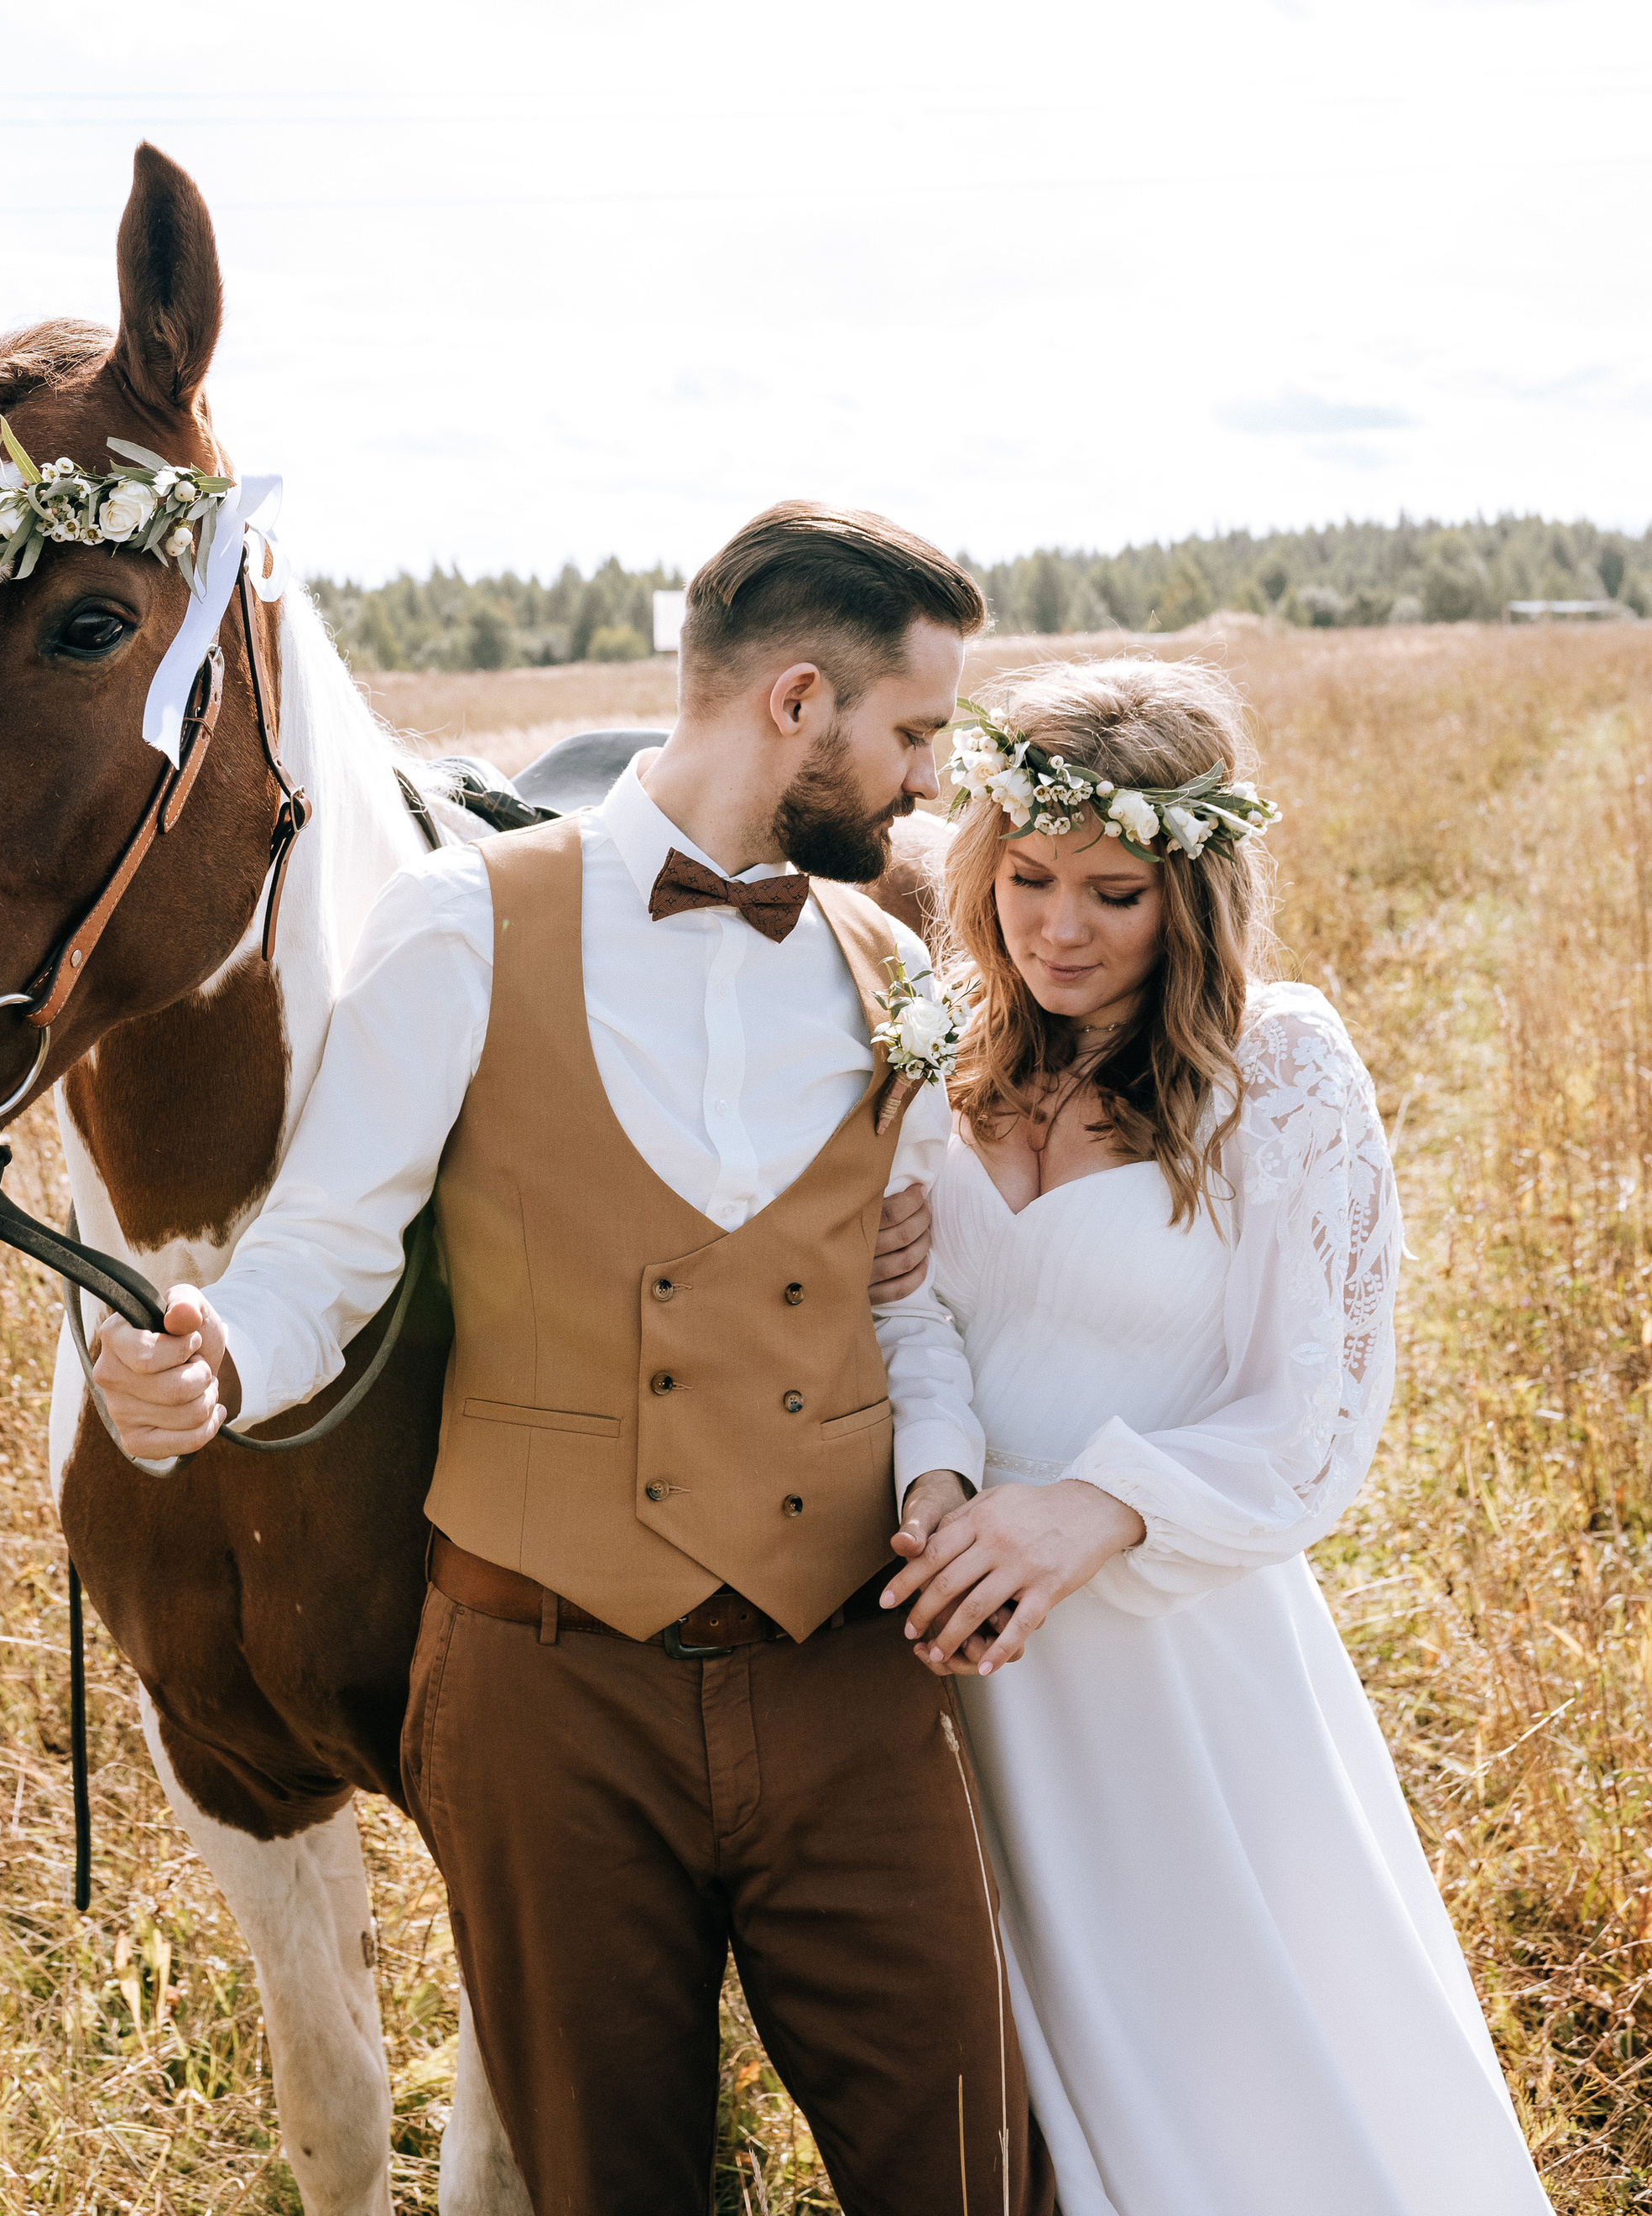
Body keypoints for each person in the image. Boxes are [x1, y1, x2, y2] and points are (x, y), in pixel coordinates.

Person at [94, 502, 1050, 2216]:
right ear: (798, 703)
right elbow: (325, 1251)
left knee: (970, 2167)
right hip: (547, 1700)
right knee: (603, 2186)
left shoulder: (892, 967)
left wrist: (940, 1482)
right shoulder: (460, 924)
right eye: (913, 734)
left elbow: (900, 1300)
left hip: (845, 1673)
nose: (926, 786)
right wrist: (213, 1362)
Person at [879, 656, 1553, 2216]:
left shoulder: (1280, 1066)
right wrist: (943, 1485)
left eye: (1113, 894)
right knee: (1029, 2051)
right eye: (1028, 880)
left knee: (1243, 2030)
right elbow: (911, 1312)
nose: (1059, 928)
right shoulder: (938, 1048)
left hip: (1173, 1639)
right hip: (965, 1623)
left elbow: (1314, 1416)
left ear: (1190, 891)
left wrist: (1089, 1510)